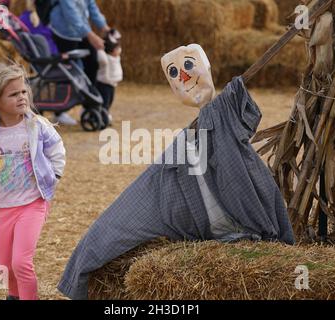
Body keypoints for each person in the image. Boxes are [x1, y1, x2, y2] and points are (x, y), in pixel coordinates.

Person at [57, 45, 294, 300]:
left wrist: (225, 102)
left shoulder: (228, 113)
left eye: (189, 65)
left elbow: (249, 117)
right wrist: (81, 266)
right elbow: (125, 212)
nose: (183, 77)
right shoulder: (178, 155)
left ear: (207, 68)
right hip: (211, 227)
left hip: (249, 221)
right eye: (174, 73)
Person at [0, 63, 66, 300]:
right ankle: (12, 295)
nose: (22, 97)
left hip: (32, 203)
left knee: (21, 262)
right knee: (3, 266)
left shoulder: (36, 126)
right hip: (3, 208)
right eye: (14, 94)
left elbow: (57, 149)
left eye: (23, 92)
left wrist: (54, 178)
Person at [49, 0, 111, 125]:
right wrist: (91, 35)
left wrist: (104, 27)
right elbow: (71, 14)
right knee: (67, 69)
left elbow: (92, 6)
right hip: (64, 31)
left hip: (81, 29)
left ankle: (88, 106)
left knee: (92, 63)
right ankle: (60, 112)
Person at [96, 29, 123, 125]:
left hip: (111, 84)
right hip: (104, 84)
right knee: (105, 102)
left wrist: (113, 37)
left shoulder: (116, 57)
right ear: (111, 51)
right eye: (116, 49)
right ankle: (103, 117)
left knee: (109, 101)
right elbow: (101, 58)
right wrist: (100, 48)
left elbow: (118, 47)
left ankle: (105, 114)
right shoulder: (106, 60)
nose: (119, 50)